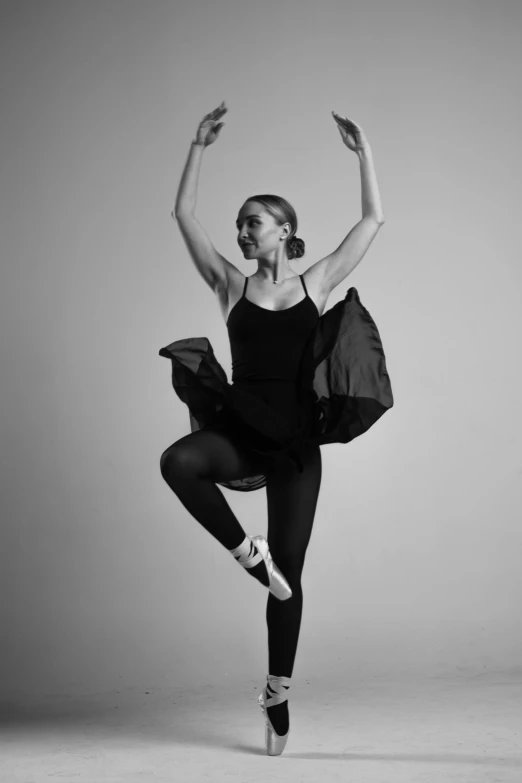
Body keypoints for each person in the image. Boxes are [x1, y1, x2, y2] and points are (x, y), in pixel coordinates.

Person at [159, 101, 392, 756]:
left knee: (291, 575)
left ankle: (278, 692)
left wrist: (362, 150)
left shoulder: (315, 284)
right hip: (241, 427)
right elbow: (184, 217)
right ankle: (245, 552)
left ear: (283, 230)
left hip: (294, 445)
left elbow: (372, 221)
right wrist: (197, 146)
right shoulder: (230, 288)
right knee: (178, 462)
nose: (240, 233)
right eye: (238, 225)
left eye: (252, 224)